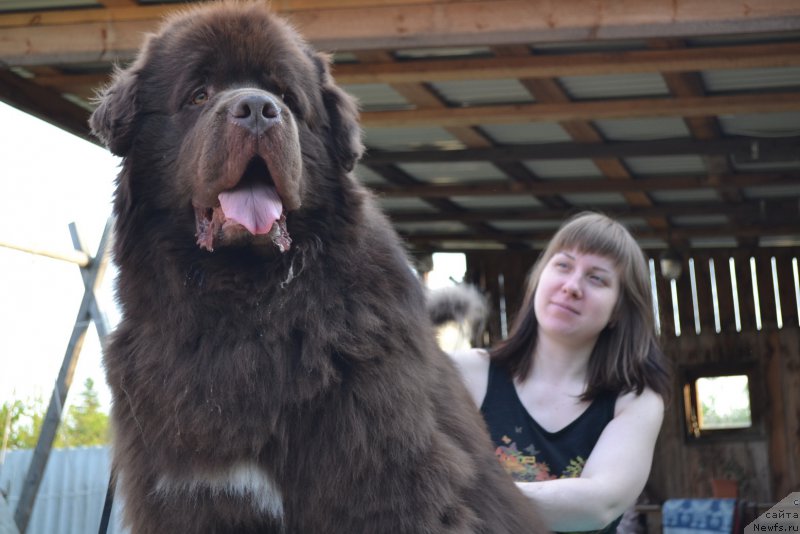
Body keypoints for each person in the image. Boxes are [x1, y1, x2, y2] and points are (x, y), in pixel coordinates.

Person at [451, 212, 671, 534]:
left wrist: (465, 491)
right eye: (563, 265)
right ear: (539, 278)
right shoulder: (467, 373)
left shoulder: (636, 400)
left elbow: (599, 505)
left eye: (597, 278)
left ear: (618, 311)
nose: (572, 287)